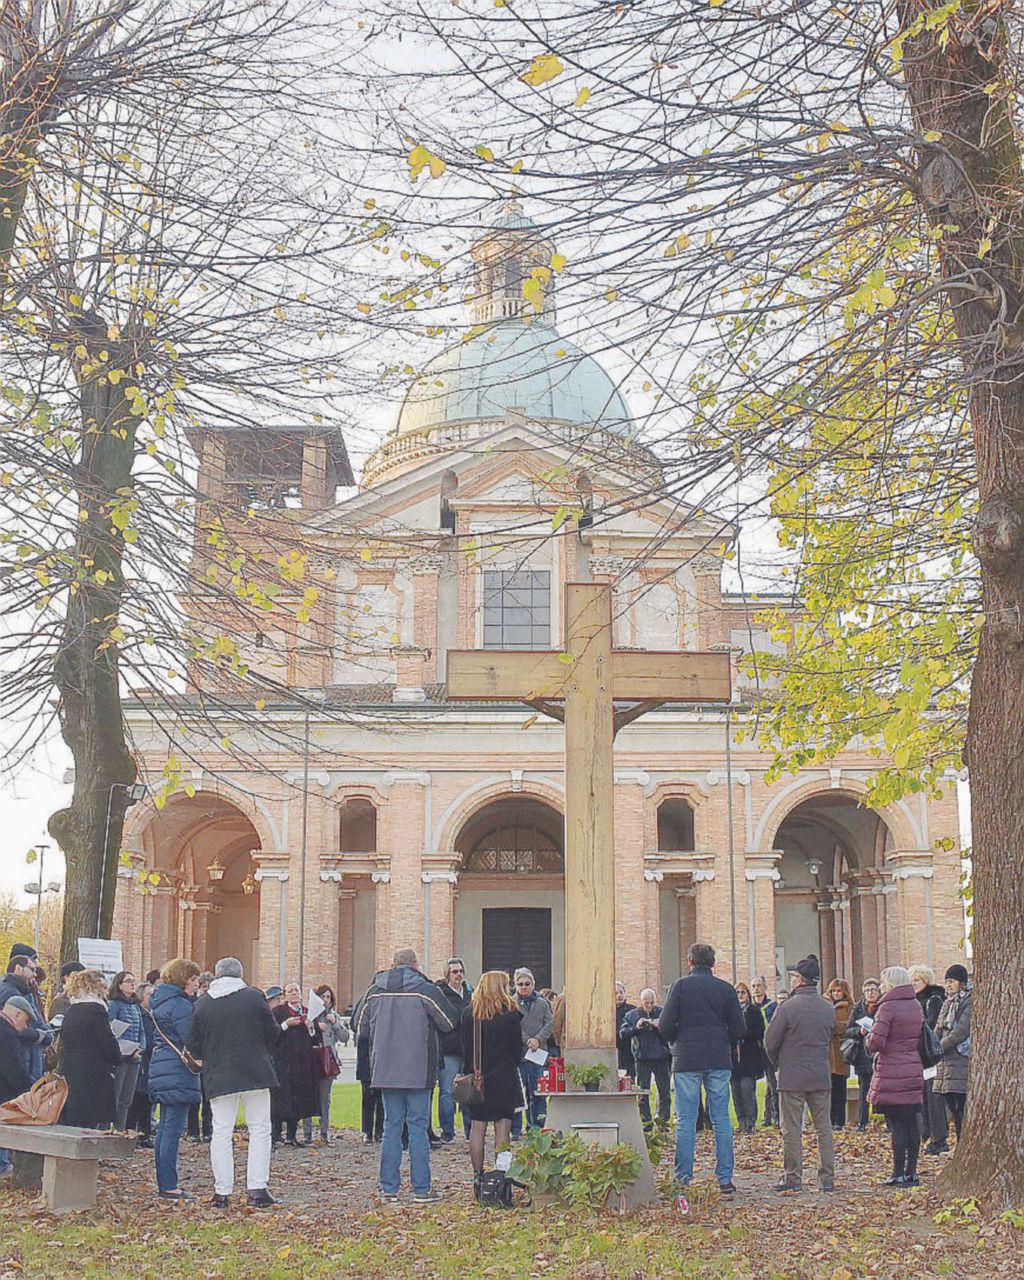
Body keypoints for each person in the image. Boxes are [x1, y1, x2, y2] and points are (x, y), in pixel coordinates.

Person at [355, 946, 455, 1204]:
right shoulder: (425, 990)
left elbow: (360, 1026)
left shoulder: (375, 991)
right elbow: (449, 1021)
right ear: (415, 965)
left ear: (393, 964)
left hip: (385, 1069)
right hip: (418, 1068)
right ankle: (421, 1189)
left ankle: (389, 1188)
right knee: (418, 1127)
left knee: (391, 1126)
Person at [186, 956, 282, 1209]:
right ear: (240, 974)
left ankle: (222, 1192)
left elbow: (193, 1044)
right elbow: (272, 1033)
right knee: (260, 1128)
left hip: (219, 1073)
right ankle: (257, 1188)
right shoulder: (254, 997)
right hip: (255, 1070)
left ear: (217, 975)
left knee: (221, 1131)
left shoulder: (203, 1004)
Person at [659, 942, 745, 1193]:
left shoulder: (681, 987)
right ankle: (725, 1178)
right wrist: (722, 1039)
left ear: (689, 962)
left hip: (686, 1057)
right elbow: (739, 1028)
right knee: (721, 1119)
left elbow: (664, 1025)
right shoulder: (726, 989)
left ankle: (683, 1177)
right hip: (718, 1057)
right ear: (713, 963)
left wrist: (678, 1038)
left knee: (686, 1120)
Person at [764, 955, 836, 1193]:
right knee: (823, 1128)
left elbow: (771, 1041)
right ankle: (827, 1178)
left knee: (791, 1128)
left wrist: (779, 1063)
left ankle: (793, 1177)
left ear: (799, 979)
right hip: (820, 1074)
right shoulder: (827, 1007)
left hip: (792, 1076)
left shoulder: (787, 1007)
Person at [460, 970, 525, 1184]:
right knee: (503, 1127)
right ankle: (501, 1174)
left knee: (477, 1127)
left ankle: (478, 1175)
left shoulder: (470, 1014)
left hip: (478, 1076)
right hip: (504, 1076)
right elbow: (518, 1049)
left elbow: (465, 1047)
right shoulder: (510, 1014)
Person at [866, 965, 925, 1187]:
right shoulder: (915, 1005)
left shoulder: (888, 1007)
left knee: (897, 1124)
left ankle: (897, 1172)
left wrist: (867, 1036)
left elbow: (876, 1042)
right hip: (912, 1068)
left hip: (892, 1070)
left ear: (891, 984)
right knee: (911, 1122)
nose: (881, 986)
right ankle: (912, 1172)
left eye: (883, 982)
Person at [149, 957, 202, 1202]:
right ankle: (169, 1185)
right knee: (172, 1129)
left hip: (162, 1067)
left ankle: (165, 1181)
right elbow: (191, 1037)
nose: (196, 984)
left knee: (165, 1129)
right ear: (183, 980)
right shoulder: (180, 1005)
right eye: (193, 979)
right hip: (177, 1070)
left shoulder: (161, 1001)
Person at [58, 969, 121, 1130]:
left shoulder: (72, 1010)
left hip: (71, 1070)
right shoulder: (96, 1010)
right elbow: (107, 1041)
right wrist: (117, 1056)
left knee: (74, 1122)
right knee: (89, 1125)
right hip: (92, 1073)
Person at [270, 981, 318, 1145]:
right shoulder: (278, 1012)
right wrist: (286, 1025)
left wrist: (311, 1028)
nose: (294, 993)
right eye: (290, 991)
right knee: (280, 1098)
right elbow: (272, 1033)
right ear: (284, 995)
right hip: (283, 1061)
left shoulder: (307, 1012)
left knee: (298, 1098)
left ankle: (292, 1135)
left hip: (302, 1062)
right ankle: (275, 1134)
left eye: (296, 990)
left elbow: (315, 1039)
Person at [619, 988, 672, 1127]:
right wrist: (636, 1027)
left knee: (664, 1091)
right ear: (641, 1002)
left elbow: (672, 1031)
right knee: (643, 1092)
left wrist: (660, 1025)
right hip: (642, 1058)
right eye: (646, 1003)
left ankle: (663, 1122)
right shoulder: (632, 1015)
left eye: (651, 1003)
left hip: (661, 1056)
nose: (649, 1006)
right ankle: (646, 1122)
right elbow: (623, 1033)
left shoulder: (662, 1013)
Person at [510, 969, 553, 1137]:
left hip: (538, 1053)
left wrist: (538, 1039)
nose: (524, 987)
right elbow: (513, 1025)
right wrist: (528, 1040)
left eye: (527, 984)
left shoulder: (542, 1003)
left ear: (533, 984)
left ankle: (537, 1127)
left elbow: (550, 1023)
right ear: (515, 985)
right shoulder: (512, 1003)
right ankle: (515, 1129)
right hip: (520, 1054)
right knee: (519, 1093)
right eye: (520, 984)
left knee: (538, 1092)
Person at [0, 949, 53, 1081]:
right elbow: (12, 1029)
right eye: (32, 969)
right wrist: (38, 1035)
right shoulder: (11, 993)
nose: (35, 974)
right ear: (18, 968)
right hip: (21, 1059)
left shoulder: (18, 991)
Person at [435, 958, 473, 1142]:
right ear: (447, 975)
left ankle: (470, 1130)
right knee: (447, 1091)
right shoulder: (441, 994)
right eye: (454, 972)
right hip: (449, 1049)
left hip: (468, 1048)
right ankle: (447, 1131)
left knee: (469, 1091)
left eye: (460, 971)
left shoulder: (469, 993)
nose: (458, 975)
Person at [934, 963, 970, 1142]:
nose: (948, 985)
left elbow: (962, 1030)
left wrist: (940, 1046)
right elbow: (939, 1026)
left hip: (960, 1058)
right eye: (946, 981)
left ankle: (963, 1140)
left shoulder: (968, 1001)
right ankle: (959, 1140)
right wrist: (933, 1044)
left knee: (961, 1104)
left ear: (961, 982)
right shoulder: (947, 1002)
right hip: (946, 1060)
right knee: (951, 1104)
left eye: (952, 981)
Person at [107, 970, 144, 1132]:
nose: (132, 983)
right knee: (114, 1097)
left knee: (126, 1099)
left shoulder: (135, 1006)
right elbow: (111, 1030)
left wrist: (140, 1048)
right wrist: (122, 1050)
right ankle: (108, 1129)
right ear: (119, 985)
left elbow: (141, 1031)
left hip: (134, 1057)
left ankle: (120, 1130)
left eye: (133, 980)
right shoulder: (114, 1005)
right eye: (128, 981)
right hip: (120, 1057)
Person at [843, 977, 881, 1130]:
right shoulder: (858, 1009)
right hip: (862, 1055)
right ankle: (862, 1122)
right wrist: (860, 1031)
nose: (870, 993)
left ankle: (885, 1120)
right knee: (864, 1089)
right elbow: (848, 1030)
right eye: (867, 991)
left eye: (873, 990)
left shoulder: (883, 1006)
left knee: (882, 1088)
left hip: (879, 1054)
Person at [311, 984, 343, 1144]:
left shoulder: (333, 1015)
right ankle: (308, 1133)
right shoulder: (311, 1016)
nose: (325, 1000)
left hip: (328, 1061)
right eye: (322, 997)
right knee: (310, 1096)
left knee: (325, 1098)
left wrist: (335, 1023)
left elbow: (344, 1036)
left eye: (328, 997)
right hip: (312, 1059)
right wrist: (316, 1026)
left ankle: (324, 1133)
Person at [731, 982, 765, 1133]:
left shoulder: (754, 1011)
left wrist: (744, 1034)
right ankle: (741, 1121)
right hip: (734, 1059)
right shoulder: (730, 1012)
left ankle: (750, 1122)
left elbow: (759, 1031)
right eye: (737, 992)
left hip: (749, 1057)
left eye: (743, 992)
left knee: (747, 1091)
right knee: (736, 1092)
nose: (740, 995)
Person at [351, 986, 384, 1145]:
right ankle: (368, 1131)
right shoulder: (367, 1001)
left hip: (378, 1054)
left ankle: (377, 1131)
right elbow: (355, 1025)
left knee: (380, 1096)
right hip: (367, 1054)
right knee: (369, 1096)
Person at [187, 970, 215, 1145]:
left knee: (208, 1097)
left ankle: (208, 1130)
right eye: (203, 987)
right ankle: (192, 1130)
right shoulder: (193, 1004)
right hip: (197, 1054)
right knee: (195, 1096)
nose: (206, 990)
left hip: (210, 1054)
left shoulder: (214, 1005)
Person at [127, 981, 156, 1147]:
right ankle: (131, 1131)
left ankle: (145, 1133)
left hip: (151, 1060)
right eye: (149, 995)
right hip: (140, 1058)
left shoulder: (152, 1015)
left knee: (147, 1099)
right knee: (136, 1098)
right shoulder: (138, 1014)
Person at [825, 979, 854, 1129]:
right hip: (826, 1052)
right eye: (833, 991)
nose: (836, 994)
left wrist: (833, 1025)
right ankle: (829, 1120)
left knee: (840, 1088)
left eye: (838, 991)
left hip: (841, 1050)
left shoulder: (849, 1007)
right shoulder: (825, 1005)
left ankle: (839, 1121)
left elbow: (847, 1026)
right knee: (828, 1089)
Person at [0, 998, 32, 1104]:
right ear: (17, 1015)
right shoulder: (7, 1035)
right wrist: (35, 1090)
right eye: (26, 1021)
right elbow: (13, 1073)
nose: (25, 1027)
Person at [614, 981, 636, 1075]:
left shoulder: (633, 1010)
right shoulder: (606, 1011)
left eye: (621, 992)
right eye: (616, 993)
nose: (619, 995)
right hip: (613, 1051)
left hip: (629, 1052)